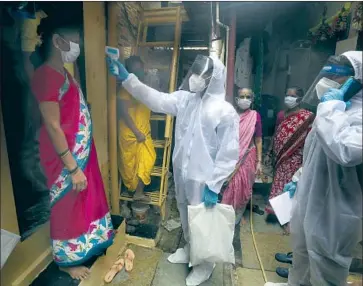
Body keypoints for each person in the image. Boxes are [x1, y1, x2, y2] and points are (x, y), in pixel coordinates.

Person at [108, 55, 239, 286]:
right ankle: (190, 249)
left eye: (201, 75)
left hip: (204, 179)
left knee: (203, 222)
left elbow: (228, 153)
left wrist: (215, 184)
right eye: (194, 72)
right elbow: (155, 99)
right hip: (182, 171)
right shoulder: (185, 99)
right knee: (185, 213)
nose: (195, 78)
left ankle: (204, 266)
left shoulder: (224, 111)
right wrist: (129, 80)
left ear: (213, 78)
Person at [265, 51, 362, 286]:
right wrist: (298, 178)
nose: (325, 82)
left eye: (336, 78)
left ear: (356, 82)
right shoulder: (332, 110)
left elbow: (344, 150)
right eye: (325, 75)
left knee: (324, 270)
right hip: (310, 198)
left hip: (334, 213)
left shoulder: (344, 112)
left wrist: (331, 107)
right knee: (301, 259)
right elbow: (313, 155)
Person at [31, 16, 114, 280]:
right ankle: (65, 262)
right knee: (66, 206)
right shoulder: (45, 75)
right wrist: (72, 167)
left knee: (81, 203)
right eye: (75, 40)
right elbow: (53, 126)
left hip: (79, 155)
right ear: (58, 41)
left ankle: (84, 245)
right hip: (64, 159)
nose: (79, 45)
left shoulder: (63, 72)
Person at [265, 87, 314, 222]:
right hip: (279, 157)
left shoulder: (307, 117)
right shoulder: (281, 114)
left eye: (292, 96)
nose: (288, 98)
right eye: (286, 95)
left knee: (291, 186)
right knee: (278, 183)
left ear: (299, 99)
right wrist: (269, 152)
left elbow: (310, 139)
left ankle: (288, 218)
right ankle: (276, 213)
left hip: (296, 158)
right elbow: (276, 134)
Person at [221, 88, 263, 225]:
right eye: (242, 96)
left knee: (243, 187)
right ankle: (225, 215)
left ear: (252, 99)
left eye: (248, 96)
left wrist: (259, 161)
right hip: (230, 156)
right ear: (236, 99)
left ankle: (237, 215)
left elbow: (258, 140)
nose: (245, 99)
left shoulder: (255, 116)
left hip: (247, 158)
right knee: (228, 186)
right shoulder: (229, 115)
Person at [117, 56, 156, 201]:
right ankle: (136, 192)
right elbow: (123, 112)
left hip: (142, 132)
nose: (139, 70)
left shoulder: (141, 87)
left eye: (140, 67)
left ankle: (137, 191)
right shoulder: (125, 89)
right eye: (135, 68)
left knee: (147, 160)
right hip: (132, 133)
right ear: (129, 71)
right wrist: (136, 132)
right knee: (131, 164)